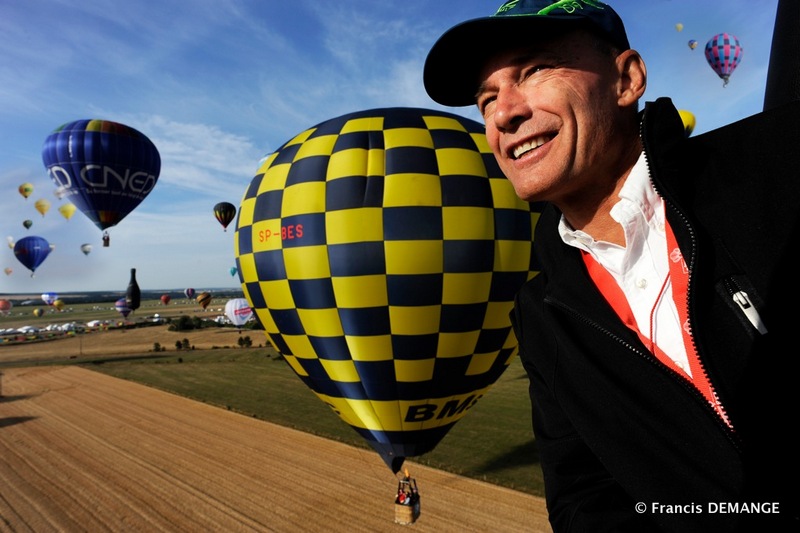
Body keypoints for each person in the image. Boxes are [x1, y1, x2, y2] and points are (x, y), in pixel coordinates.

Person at [424, 1, 800, 532]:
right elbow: (586, 495)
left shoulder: (774, 166)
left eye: (534, 71)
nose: (504, 114)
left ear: (627, 79)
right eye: (486, 100)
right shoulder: (542, 316)